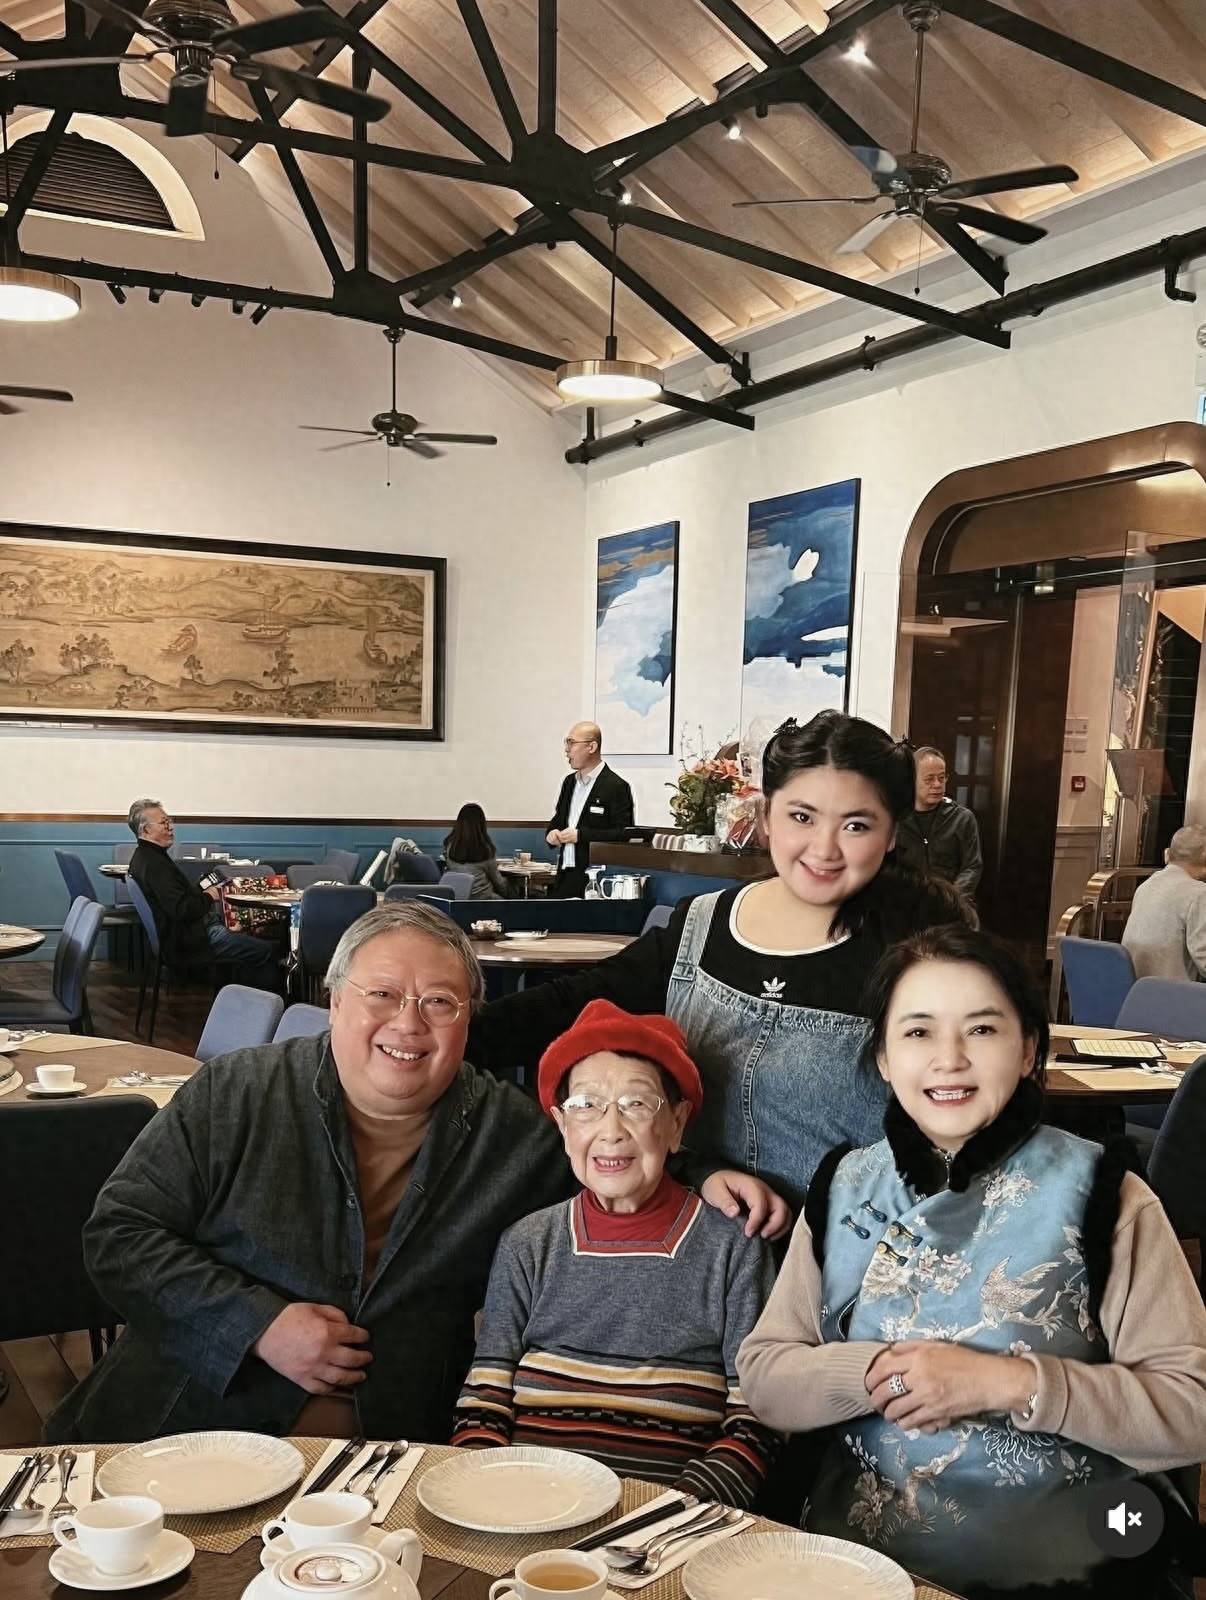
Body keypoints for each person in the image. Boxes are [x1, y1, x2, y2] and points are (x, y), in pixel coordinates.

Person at [46, 903, 782, 1445]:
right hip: (188, 1425)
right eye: (383, 995)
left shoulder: (512, 1134)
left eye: (439, 1003)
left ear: (469, 1021)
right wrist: (257, 1325)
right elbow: (119, 1234)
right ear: (335, 1000)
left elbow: (608, 1154)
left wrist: (699, 1172)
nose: (409, 1023)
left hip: (403, 1457)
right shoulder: (237, 1091)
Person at [738, 925, 1206, 1599]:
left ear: (1029, 1050)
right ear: (883, 1057)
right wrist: (876, 1373)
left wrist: (1009, 1384)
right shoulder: (844, 1185)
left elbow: (1191, 1411)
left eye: (982, 1030)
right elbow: (765, 1376)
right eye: (918, 1032)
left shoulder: (1108, 1197)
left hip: (1072, 1566)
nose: (949, 1060)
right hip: (852, 1562)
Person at [472, 711, 969, 1214]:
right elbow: (576, 1002)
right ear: (766, 815)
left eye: (856, 825)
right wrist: (450, 1042)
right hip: (696, 1237)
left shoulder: (921, 948)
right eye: (802, 817)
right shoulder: (703, 923)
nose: (824, 849)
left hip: (855, 1246)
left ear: (891, 834)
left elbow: (959, 1118)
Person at [452, 1000, 780, 1507]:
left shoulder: (733, 1248)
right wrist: (493, 1498)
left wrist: (670, 1516)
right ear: (562, 1126)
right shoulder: (528, 1243)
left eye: (636, 1104)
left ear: (676, 1124)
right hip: (527, 1506)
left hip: (671, 1521)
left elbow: (755, 1421)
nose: (611, 1130)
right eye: (586, 1105)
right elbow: (484, 1401)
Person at [126, 797, 279, 990]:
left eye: (169, 821)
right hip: (192, 940)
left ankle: (233, 1000)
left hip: (185, 934)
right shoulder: (155, 864)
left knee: (250, 933)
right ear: (146, 830)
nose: (171, 827)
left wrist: (200, 889)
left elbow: (177, 899)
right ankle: (261, 1005)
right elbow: (182, 909)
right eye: (164, 823)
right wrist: (209, 896)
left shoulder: (144, 857)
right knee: (268, 949)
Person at [546, 721, 635, 897]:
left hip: (596, 877)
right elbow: (559, 820)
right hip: (565, 874)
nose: (567, 750)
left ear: (592, 747)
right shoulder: (569, 782)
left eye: (571, 743)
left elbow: (623, 834)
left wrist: (581, 835)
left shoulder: (616, 786)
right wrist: (551, 833)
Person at [893, 746, 982, 897]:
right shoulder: (897, 818)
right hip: (906, 902)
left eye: (941, 778)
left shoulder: (963, 818)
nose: (937, 785)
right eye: (929, 779)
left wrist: (951, 899)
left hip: (952, 902)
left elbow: (972, 867)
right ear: (911, 780)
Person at [1121, 825, 1206, 980]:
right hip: (1170, 991)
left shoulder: (1145, 886)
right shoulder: (1199, 893)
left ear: (1169, 853)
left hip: (1135, 990)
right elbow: (1203, 958)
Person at [443, 803, 509, 900]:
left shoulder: (450, 847)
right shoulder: (485, 850)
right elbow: (498, 883)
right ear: (481, 824)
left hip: (456, 899)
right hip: (483, 899)